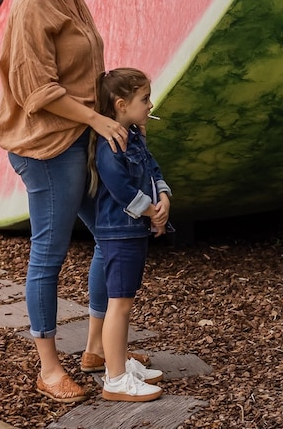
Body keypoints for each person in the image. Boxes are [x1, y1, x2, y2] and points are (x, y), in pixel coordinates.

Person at [0, 0, 151, 403]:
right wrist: (99, 120)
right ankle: (47, 367)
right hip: (46, 146)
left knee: (109, 234)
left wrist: (120, 108)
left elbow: (84, 72)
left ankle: (96, 350)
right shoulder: (32, 5)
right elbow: (37, 90)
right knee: (49, 253)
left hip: (80, 138)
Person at [89, 67, 172, 402]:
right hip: (119, 232)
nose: (150, 104)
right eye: (145, 99)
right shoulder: (109, 145)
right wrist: (151, 210)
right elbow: (120, 188)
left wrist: (163, 197)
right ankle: (116, 380)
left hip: (132, 229)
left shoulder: (134, 136)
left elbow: (152, 168)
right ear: (121, 104)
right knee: (119, 304)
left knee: (125, 302)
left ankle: (119, 362)